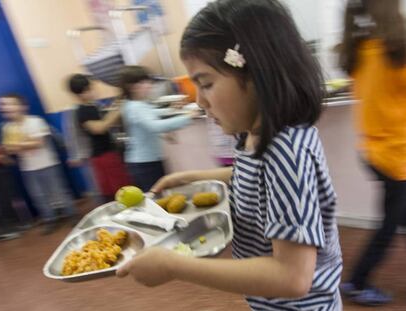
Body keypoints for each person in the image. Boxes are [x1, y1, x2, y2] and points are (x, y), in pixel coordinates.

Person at [116, 1, 343, 310]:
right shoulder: (257, 135)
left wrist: (174, 266)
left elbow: (292, 277)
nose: (199, 101)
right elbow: (255, 176)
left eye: (206, 83)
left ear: (256, 75)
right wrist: (193, 178)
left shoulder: (285, 153)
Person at [338, 0, 406, 306]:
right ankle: (356, 281)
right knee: (388, 224)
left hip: (373, 151)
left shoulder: (358, 53)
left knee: (396, 216)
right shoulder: (397, 53)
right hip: (396, 156)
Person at [0, 94, 77, 235]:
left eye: (10, 104)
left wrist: (18, 145)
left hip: (48, 164)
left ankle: (72, 214)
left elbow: (38, 143)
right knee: (38, 196)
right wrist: (24, 144)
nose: (6, 107)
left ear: (23, 106)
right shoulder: (7, 128)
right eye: (3, 105)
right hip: (28, 168)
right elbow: (8, 149)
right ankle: (49, 219)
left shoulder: (35, 121)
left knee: (58, 190)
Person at [119, 66, 194, 192]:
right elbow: (155, 126)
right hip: (145, 163)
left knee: (158, 195)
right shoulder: (136, 107)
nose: (149, 85)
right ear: (131, 87)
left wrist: (172, 110)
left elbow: (152, 114)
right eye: (143, 82)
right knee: (156, 198)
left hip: (145, 161)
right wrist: (188, 117)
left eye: (148, 81)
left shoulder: (135, 104)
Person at [68, 74, 131, 202]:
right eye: (90, 88)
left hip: (107, 153)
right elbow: (99, 128)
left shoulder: (93, 106)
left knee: (118, 188)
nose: (94, 91)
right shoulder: (82, 110)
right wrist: (119, 109)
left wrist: (117, 103)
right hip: (102, 156)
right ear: (81, 93)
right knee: (118, 190)